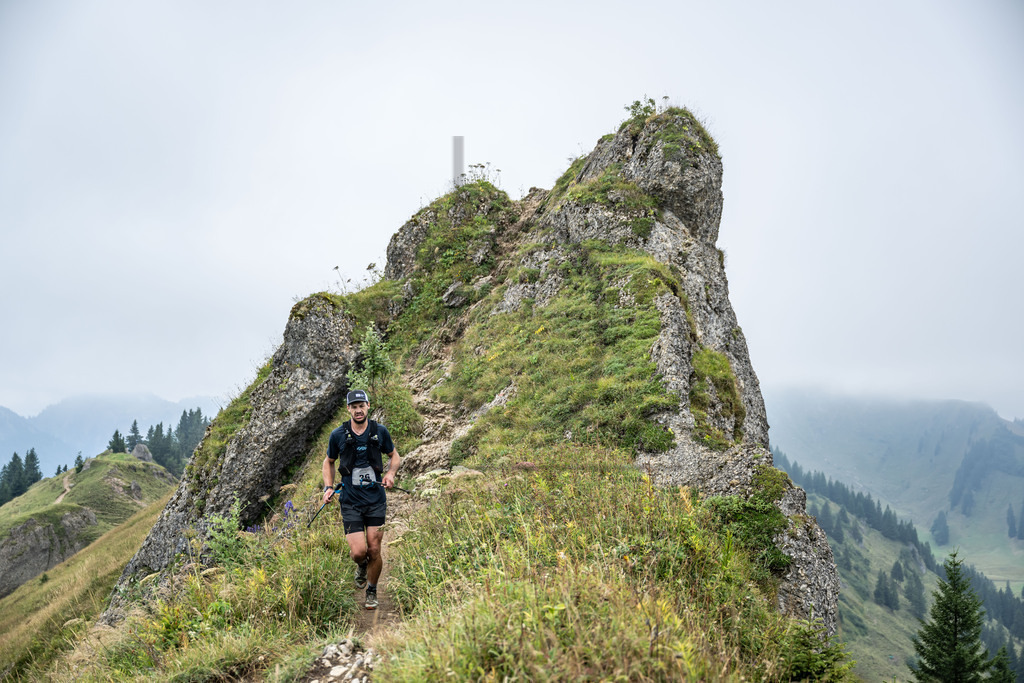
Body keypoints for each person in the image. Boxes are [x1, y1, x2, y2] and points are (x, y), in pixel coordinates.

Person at [322, 389, 400, 610]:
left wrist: (390, 474)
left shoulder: (379, 432)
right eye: (353, 406)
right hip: (350, 501)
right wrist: (328, 487)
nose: (358, 410)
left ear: (368, 406)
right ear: (348, 409)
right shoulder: (338, 435)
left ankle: (372, 590)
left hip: (376, 499)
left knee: (374, 549)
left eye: (361, 405)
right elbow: (328, 461)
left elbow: (394, 456)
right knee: (359, 552)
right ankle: (362, 566)